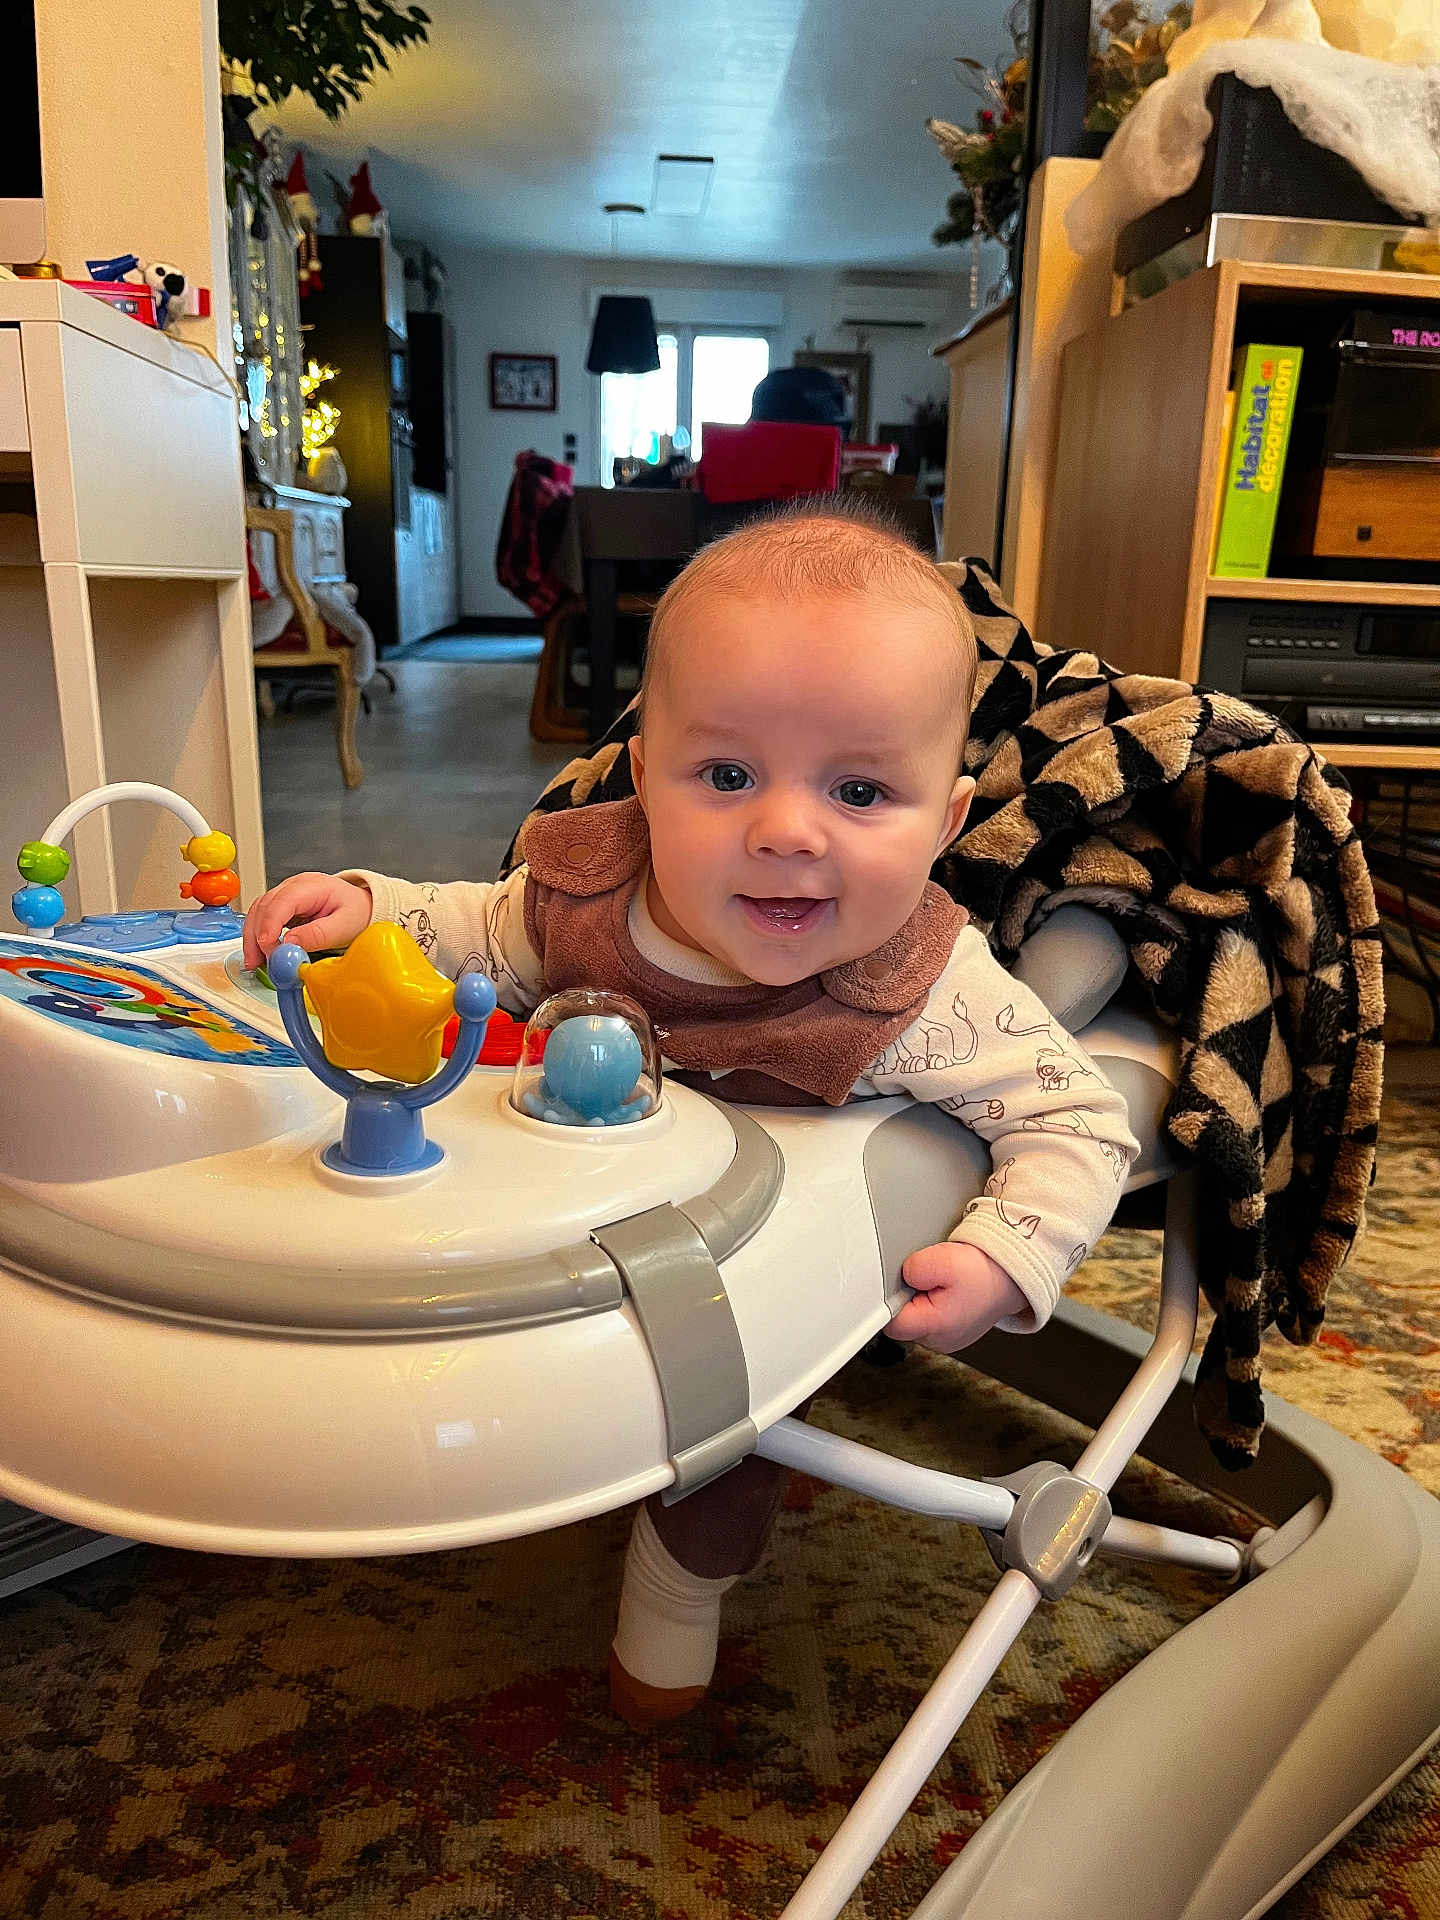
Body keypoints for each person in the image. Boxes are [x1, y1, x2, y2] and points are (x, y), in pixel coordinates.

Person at [242, 503, 1139, 1728]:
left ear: (944, 823)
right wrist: (366, 907)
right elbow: (469, 933)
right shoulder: (586, 893)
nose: (784, 831)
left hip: (751, 1277)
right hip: (563, 1207)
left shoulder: (924, 990)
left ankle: (679, 1589)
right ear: (645, 778)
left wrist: (1004, 1258)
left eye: (860, 790)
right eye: (725, 777)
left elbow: (1077, 1121)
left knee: (737, 1436)